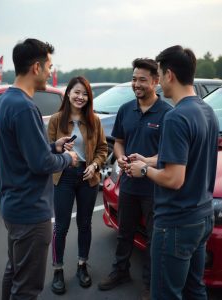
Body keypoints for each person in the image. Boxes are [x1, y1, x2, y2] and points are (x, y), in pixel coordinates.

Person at [128, 45, 219, 300]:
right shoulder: (206, 111)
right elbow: (185, 159)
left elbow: (174, 178)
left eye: (158, 74)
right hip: (202, 217)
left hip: (176, 222)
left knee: (166, 294)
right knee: (195, 290)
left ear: (169, 75)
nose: (158, 85)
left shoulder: (176, 117)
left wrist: (144, 170)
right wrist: (148, 159)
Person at [0, 38, 78, 300]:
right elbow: (40, 164)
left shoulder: (7, 100)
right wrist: (69, 159)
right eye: (49, 66)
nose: (51, 72)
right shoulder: (24, 107)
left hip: (13, 205)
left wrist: (53, 146)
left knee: (14, 271)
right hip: (30, 212)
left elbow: (23, 152)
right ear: (36, 67)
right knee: (27, 288)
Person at [98, 58, 172, 299]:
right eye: (134, 79)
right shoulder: (125, 110)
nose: (136, 84)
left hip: (154, 187)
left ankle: (151, 285)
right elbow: (119, 142)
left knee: (153, 239)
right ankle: (120, 271)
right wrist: (119, 158)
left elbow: (170, 155)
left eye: (142, 80)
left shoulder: (168, 114)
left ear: (155, 81)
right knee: (124, 231)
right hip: (128, 185)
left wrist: (147, 163)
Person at [48, 76, 108, 295]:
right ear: (68, 93)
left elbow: (103, 149)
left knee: (85, 224)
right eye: (76, 92)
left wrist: (94, 165)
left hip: (87, 176)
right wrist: (61, 152)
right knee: (61, 227)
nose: (80, 97)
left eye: (85, 94)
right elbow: (49, 151)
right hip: (63, 176)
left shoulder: (95, 120)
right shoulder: (56, 120)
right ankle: (58, 269)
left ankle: (82, 265)